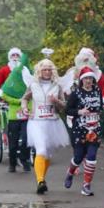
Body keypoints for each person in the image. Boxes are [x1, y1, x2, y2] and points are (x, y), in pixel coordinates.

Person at [22, 57, 70, 194]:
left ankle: (42, 179)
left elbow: (64, 106)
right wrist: (25, 108)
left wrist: (56, 101)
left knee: (47, 155)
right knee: (41, 150)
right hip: (36, 122)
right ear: (39, 71)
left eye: (49, 69)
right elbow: (25, 98)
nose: (47, 72)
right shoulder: (33, 84)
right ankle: (40, 181)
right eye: (44, 69)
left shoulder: (57, 85)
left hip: (52, 123)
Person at [64, 68, 104, 196]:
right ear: (81, 80)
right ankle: (70, 173)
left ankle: (86, 185)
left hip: (94, 129)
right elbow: (67, 110)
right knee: (78, 157)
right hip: (80, 130)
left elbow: (99, 106)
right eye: (86, 79)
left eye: (90, 78)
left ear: (93, 79)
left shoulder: (97, 91)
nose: (88, 81)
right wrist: (79, 112)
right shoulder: (76, 93)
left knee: (92, 157)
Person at [0, 62, 32, 173]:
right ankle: (12, 163)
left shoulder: (29, 83)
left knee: (26, 140)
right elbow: (4, 95)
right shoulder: (10, 82)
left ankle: (24, 160)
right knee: (13, 142)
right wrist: (18, 101)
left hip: (27, 115)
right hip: (13, 116)